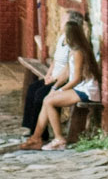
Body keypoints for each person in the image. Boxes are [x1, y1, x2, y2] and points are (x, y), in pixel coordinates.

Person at [24, 16, 100, 150]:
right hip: (79, 87)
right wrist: (54, 88)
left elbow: (76, 79)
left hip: (86, 90)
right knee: (47, 99)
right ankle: (36, 138)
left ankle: (59, 139)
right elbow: (65, 73)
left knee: (49, 101)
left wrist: (61, 90)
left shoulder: (78, 52)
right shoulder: (72, 51)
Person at [22, 18, 73, 135]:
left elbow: (68, 70)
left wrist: (54, 79)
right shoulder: (62, 38)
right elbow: (55, 61)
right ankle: (29, 126)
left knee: (40, 94)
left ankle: (40, 132)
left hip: (62, 80)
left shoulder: (72, 45)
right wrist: (48, 75)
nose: (61, 23)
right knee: (32, 88)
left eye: (63, 21)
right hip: (53, 77)